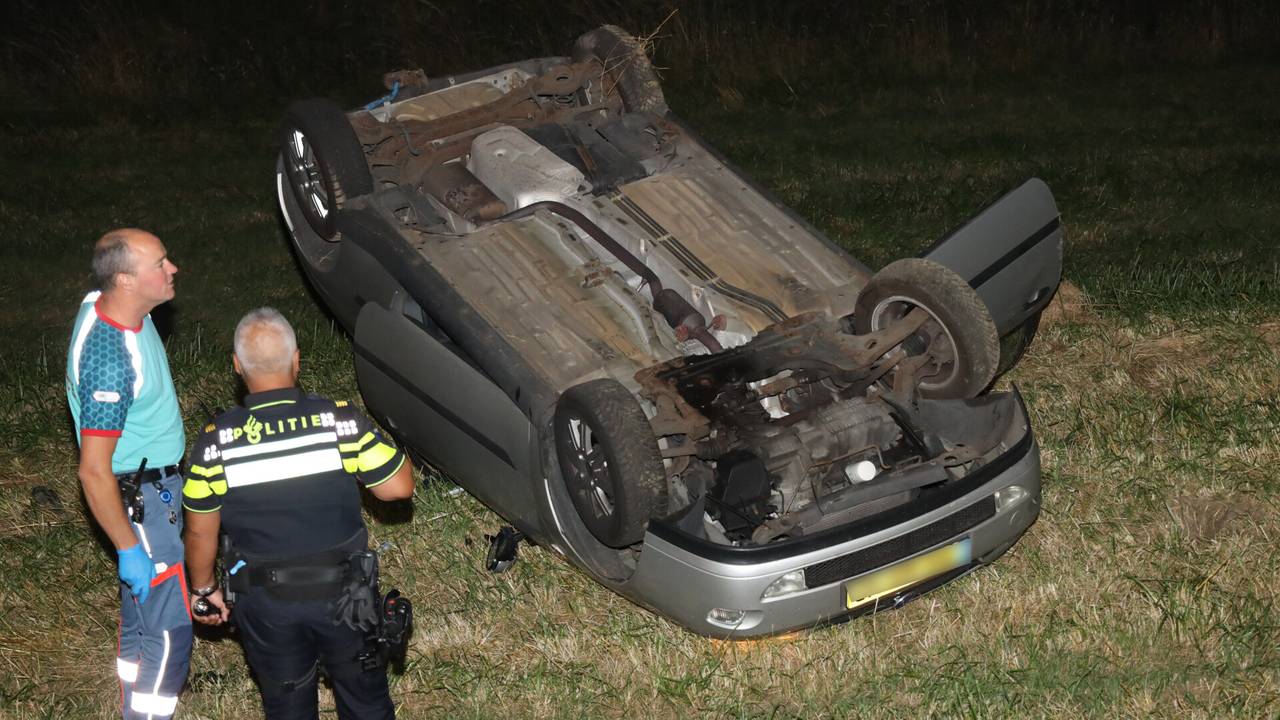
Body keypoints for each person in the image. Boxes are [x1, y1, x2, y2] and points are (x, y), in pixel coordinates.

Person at [183, 307, 414, 720]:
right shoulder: (339, 421)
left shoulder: (214, 444)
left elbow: (200, 533)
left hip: (266, 603)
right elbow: (398, 488)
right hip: (346, 597)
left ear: (237, 367)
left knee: (287, 703)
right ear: (297, 360)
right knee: (366, 701)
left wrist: (203, 589)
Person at [66, 228, 190, 719]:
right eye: (159, 264)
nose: (172, 268)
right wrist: (128, 547)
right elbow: (93, 471)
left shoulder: (109, 302)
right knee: (170, 628)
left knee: (141, 618)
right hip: (142, 502)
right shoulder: (110, 364)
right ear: (124, 280)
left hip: (152, 488)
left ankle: (130, 704)